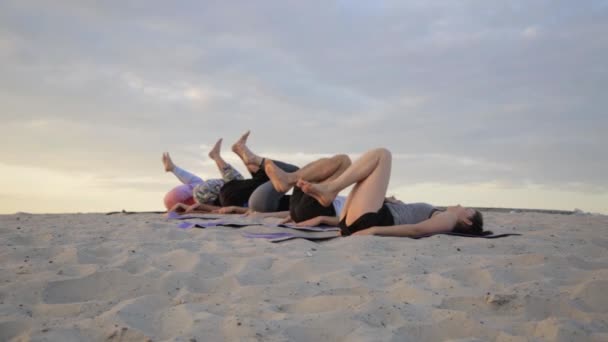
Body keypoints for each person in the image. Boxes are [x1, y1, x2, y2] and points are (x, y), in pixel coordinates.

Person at [297, 148, 488, 237]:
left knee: (382, 155)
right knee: (366, 172)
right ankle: (331, 189)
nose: (462, 206)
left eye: (467, 209)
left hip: (373, 221)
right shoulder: (442, 216)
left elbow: (416, 230)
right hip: (359, 221)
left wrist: (374, 230)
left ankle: (331, 189)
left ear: (467, 221)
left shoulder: (449, 219)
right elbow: (414, 222)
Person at [161, 137, 244, 213]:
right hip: (183, 197)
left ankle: (215, 156)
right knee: (235, 185)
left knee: (234, 184)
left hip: (179, 197)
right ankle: (215, 156)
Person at [263, 154, 351, 225]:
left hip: (319, 209)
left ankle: (289, 179)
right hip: (301, 210)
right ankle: (289, 179)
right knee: (324, 163)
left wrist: (321, 219)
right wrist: (292, 216)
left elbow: (350, 219)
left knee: (344, 161)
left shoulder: (361, 206)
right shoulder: (358, 199)